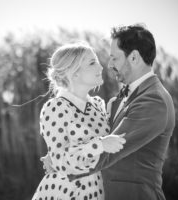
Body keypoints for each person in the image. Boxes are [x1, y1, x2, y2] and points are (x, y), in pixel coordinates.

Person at [43, 24, 175, 200]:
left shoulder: (153, 100)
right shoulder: (121, 98)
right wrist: (63, 150)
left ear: (134, 57)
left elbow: (110, 151)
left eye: (115, 58)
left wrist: (65, 160)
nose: (109, 64)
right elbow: (97, 136)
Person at [32, 42, 126, 200]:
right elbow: (60, 163)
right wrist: (100, 145)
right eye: (92, 63)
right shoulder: (55, 107)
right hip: (65, 193)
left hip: (96, 191)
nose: (100, 67)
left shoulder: (98, 104)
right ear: (74, 73)